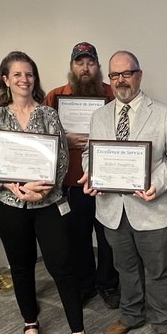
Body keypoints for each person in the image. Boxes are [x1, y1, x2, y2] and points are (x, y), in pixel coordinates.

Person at [0, 51, 88, 334]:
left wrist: (44, 188)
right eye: (17, 75)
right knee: (21, 266)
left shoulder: (49, 114)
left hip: (48, 202)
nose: (24, 80)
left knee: (62, 266)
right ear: (6, 80)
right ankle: (30, 321)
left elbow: (62, 159)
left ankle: (77, 329)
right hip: (9, 204)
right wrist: (14, 186)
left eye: (29, 74)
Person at [85, 51, 167, 334]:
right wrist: (92, 174)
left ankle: (165, 323)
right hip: (111, 210)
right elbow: (88, 155)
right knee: (125, 267)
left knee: (157, 269)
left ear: (139, 75)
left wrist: (157, 184)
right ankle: (131, 314)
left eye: (127, 74)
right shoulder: (100, 116)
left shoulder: (162, 114)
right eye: (115, 75)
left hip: (151, 207)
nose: (121, 80)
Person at [45, 43, 120, 308]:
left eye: (90, 62)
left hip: (105, 181)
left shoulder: (112, 94)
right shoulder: (55, 97)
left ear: (97, 67)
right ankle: (85, 284)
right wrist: (65, 139)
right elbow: (42, 137)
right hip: (71, 182)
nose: (85, 68)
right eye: (80, 63)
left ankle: (108, 284)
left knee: (108, 237)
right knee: (77, 237)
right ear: (72, 67)